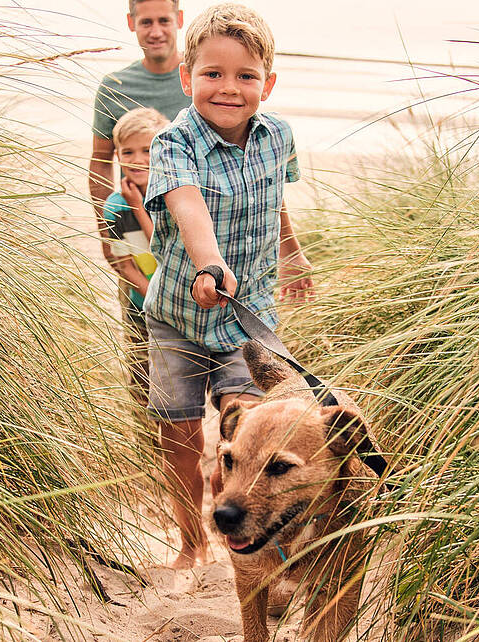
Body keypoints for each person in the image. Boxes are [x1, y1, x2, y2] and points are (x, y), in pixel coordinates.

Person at [141, 3, 314, 569]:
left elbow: (274, 201)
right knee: (182, 435)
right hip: (178, 316)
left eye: (246, 76)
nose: (229, 89)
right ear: (187, 77)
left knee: (251, 423)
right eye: (212, 74)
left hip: (248, 315)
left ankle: (250, 520)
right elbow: (188, 207)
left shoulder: (278, 135)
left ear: (268, 82)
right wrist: (209, 264)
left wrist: (290, 251)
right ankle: (192, 544)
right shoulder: (173, 144)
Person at [89, 0, 190, 271]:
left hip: (193, 230)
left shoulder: (199, 79)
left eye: (164, 21)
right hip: (132, 227)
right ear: (131, 23)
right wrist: (106, 231)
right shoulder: (115, 86)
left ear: (179, 19)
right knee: (138, 306)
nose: (155, 32)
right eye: (146, 22)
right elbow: (100, 160)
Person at [102, 107, 171, 411]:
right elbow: (123, 263)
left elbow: (166, 246)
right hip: (140, 303)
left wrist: (138, 206)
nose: (138, 159)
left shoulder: (174, 195)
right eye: (127, 152)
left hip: (181, 300)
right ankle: (146, 444)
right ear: (117, 156)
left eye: (148, 150)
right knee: (141, 374)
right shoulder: (115, 206)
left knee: (177, 377)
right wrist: (148, 293)